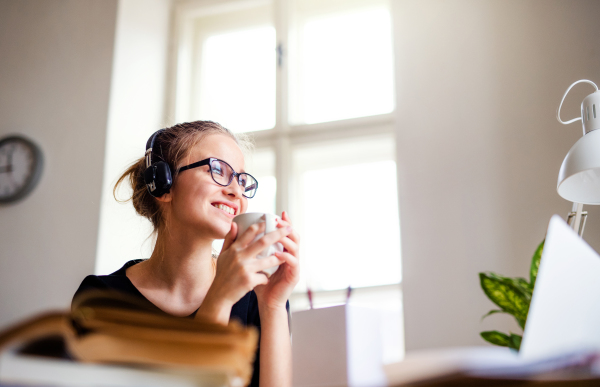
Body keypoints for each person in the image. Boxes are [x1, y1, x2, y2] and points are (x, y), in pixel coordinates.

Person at [73, 121, 300, 387]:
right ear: (163, 184)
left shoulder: (256, 297)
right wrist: (218, 301)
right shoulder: (101, 298)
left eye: (241, 179)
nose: (236, 191)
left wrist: (272, 306)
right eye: (217, 170)